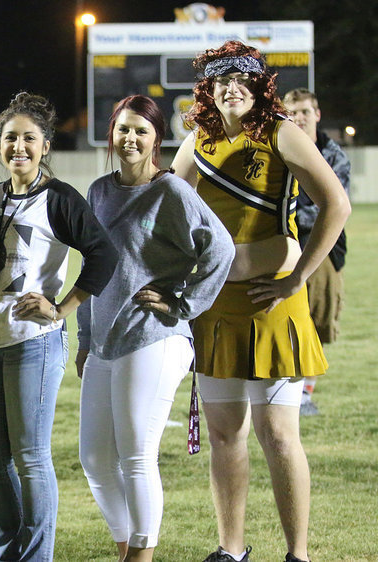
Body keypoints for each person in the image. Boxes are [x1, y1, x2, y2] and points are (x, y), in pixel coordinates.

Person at [171, 41, 351, 562]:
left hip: (272, 302)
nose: (232, 88)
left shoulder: (281, 131)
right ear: (208, 88)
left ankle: (298, 554)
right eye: (221, 80)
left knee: (278, 434)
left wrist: (298, 278)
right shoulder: (196, 141)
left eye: (242, 81)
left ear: (257, 87)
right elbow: (166, 212)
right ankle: (231, 550)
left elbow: (335, 203)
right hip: (215, 306)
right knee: (225, 435)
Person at [0, 92, 113, 562]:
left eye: (29, 138)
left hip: (33, 345)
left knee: (31, 459)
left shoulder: (59, 199)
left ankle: (36, 557)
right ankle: (10, 552)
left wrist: (62, 309)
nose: (18, 146)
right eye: (10, 138)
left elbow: (104, 254)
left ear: (45, 146)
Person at [75, 95, 234, 562]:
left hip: (153, 335)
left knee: (135, 456)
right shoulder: (100, 191)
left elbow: (219, 249)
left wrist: (182, 304)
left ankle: (141, 557)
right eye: (123, 129)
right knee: (95, 460)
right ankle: (127, 547)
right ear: (112, 133)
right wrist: (85, 339)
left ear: (156, 140)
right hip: (105, 340)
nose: (130, 139)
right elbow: (91, 266)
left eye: (141, 131)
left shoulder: (171, 192)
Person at [282, 88, 351, 416]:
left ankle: (305, 393)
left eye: (305, 112)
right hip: (281, 247)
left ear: (317, 115)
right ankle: (284, 391)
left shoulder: (333, 154)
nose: (299, 118)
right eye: (292, 112)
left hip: (321, 248)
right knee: (283, 321)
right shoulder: (278, 147)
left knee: (317, 321)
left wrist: (286, 215)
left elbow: (332, 208)